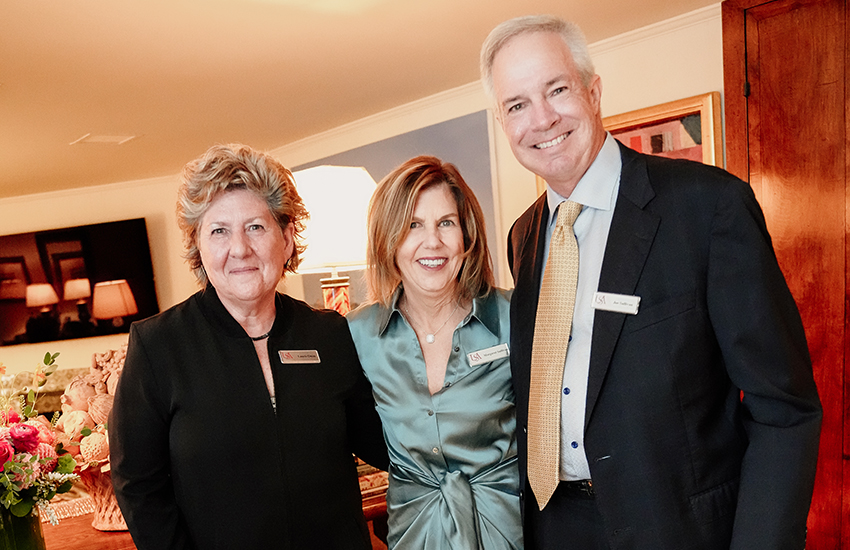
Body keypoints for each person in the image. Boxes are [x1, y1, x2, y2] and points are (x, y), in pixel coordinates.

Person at [480, 15, 822, 550]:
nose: (541, 118)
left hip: (680, 530)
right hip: (555, 526)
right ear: (504, 124)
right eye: (517, 105)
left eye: (557, 89)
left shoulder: (707, 207)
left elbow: (783, 410)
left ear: (593, 93)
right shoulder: (524, 236)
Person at [110, 143, 388, 550]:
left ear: (287, 237)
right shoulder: (158, 345)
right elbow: (137, 484)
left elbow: (381, 442)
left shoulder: (328, 333)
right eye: (219, 230)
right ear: (199, 246)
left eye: (255, 227)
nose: (239, 248)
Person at [346, 156, 523, 549]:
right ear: (387, 238)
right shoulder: (356, 334)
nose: (433, 242)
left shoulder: (515, 317)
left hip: (511, 530)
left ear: (467, 234)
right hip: (414, 534)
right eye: (413, 225)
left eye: (446, 223)